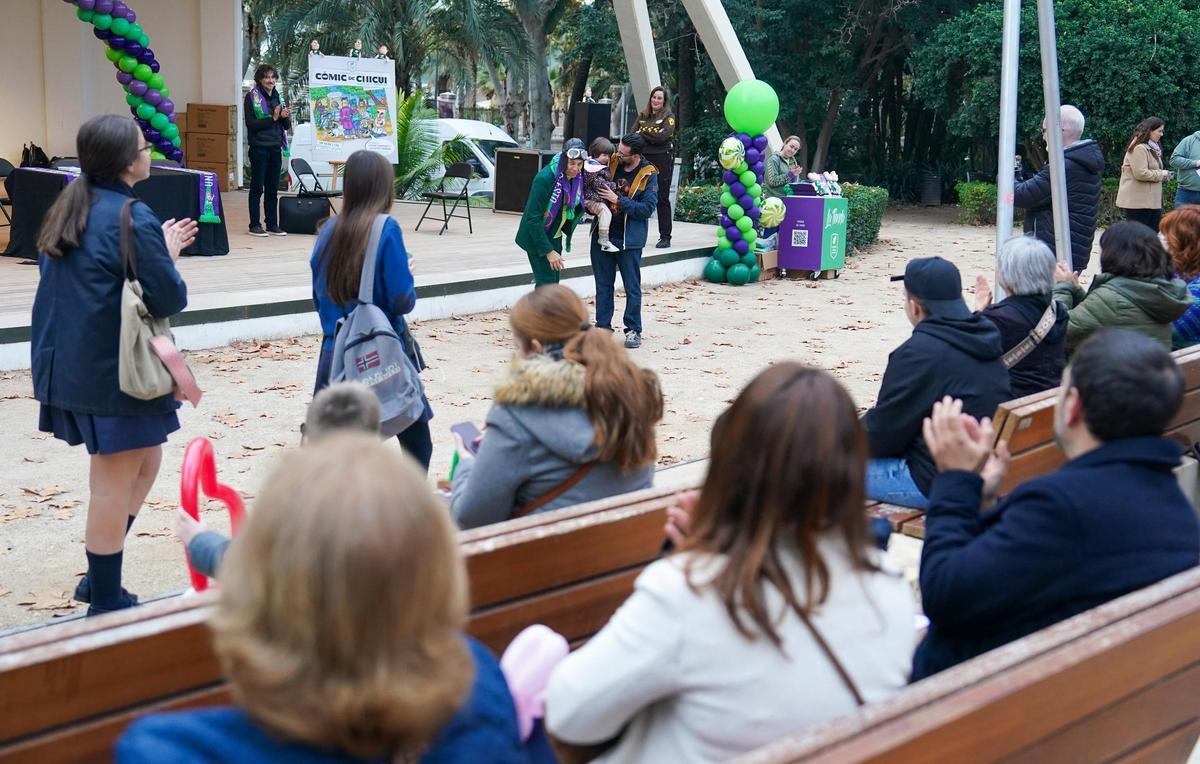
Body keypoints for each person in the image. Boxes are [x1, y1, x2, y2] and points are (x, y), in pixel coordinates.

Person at [544, 364, 914, 762]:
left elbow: (568, 716)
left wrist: (691, 564)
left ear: (732, 464)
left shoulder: (690, 594)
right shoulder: (889, 587)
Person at [116, 435, 528, 763]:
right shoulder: (480, 692)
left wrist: (205, 546)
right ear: (439, 584)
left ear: (261, 592)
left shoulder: (167, 750)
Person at [913, 330, 1200, 680]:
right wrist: (984, 498)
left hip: (977, 708)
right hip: (1084, 706)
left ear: (1074, 406)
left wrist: (955, 480)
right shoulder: (1174, 511)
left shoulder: (1063, 506)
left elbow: (944, 593)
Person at [31, 115, 194, 616]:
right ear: (128, 162)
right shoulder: (131, 216)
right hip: (111, 369)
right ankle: (104, 602)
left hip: (70, 361)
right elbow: (168, 296)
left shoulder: (68, 206)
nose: (150, 154)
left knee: (145, 460)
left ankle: (98, 578)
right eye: (145, 148)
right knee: (112, 482)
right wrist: (167, 253)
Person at [451, 286, 662, 530]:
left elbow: (470, 518)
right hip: (631, 552)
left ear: (536, 348)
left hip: (543, 561)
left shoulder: (516, 414)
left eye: (518, 347)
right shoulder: (632, 393)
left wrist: (467, 465)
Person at [173, 382, 382, 578]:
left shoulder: (304, 503)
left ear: (311, 436)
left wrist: (199, 541)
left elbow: (253, 570)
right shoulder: (402, 495)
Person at [311, 150, 434, 470]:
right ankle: (403, 512)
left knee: (339, 450)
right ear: (384, 187)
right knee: (416, 443)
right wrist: (406, 273)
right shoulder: (386, 229)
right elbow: (401, 300)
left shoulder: (326, 231)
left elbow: (318, 298)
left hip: (335, 351)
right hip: (380, 347)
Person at [863, 257, 1011, 509]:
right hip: (983, 469)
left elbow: (882, 436)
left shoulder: (918, 354)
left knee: (820, 464)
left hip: (934, 481)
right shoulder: (984, 335)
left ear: (915, 307)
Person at [1052, 220, 1190, 354]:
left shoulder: (1112, 299)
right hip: (1146, 373)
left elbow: (1055, 332)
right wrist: (1075, 291)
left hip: (1107, 375)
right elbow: (1103, 316)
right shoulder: (1157, 290)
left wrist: (1063, 286)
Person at [973, 236, 1068, 398]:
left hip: (1009, 409)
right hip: (1048, 407)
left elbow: (964, 356)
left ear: (1007, 274)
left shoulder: (997, 319)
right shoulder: (1058, 311)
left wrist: (979, 313)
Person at [1013, 105, 1105, 273]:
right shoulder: (1082, 161)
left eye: (1045, 130)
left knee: (1046, 298)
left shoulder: (1063, 166)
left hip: (1054, 253)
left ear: (1059, 132)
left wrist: (1009, 175)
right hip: (1072, 249)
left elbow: (1022, 196)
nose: (1044, 136)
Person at [592, 133, 658, 349]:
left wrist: (618, 200)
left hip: (629, 240)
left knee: (632, 287)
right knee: (603, 285)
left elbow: (646, 210)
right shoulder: (610, 162)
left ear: (636, 156)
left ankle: (633, 329)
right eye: (617, 150)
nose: (617, 154)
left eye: (622, 153)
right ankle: (602, 327)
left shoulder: (648, 174)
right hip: (603, 235)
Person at [515, 138, 586, 287]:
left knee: (553, 284)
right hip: (537, 237)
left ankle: (545, 311)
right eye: (572, 163)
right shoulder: (545, 178)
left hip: (555, 235)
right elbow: (532, 219)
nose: (575, 168)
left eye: (579, 164)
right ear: (563, 159)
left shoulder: (575, 177)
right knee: (546, 286)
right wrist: (548, 251)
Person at [244, 63, 290, 238]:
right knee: (257, 187)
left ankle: (272, 224)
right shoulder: (251, 97)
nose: (270, 81)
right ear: (260, 80)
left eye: (273, 77)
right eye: (266, 77)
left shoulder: (279, 98)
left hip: (275, 147)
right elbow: (252, 125)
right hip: (259, 148)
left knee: (272, 189)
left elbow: (286, 125)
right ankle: (254, 225)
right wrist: (274, 118)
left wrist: (284, 117)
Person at [634, 86, 676, 249]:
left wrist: (643, 134)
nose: (656, 100)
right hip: (643, 159)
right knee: (637, 195)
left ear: (664, 101)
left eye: (659, 98)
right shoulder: (643, 116)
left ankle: (665, 236)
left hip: (662, 158)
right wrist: (648, 135)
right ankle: (636, 234)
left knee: (661, 198)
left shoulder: (669, 117)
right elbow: (632, 136)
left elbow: (662, 137)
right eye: (654, 97)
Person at [1116, 117, 1171, 232]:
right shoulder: (1139, 148)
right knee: (1137, 237)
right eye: (1159, 131)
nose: (1162, 134)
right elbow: (1141, 173)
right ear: (1150, 131)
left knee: (1151, 234)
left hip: (1150, 202)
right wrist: (1162, 174)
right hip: (1138, 203)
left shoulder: (1151, 148)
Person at [1161, 206, 1200, 349]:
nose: (1164, 246)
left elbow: (1163, 334)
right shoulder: (1181, 275)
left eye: (1167, 240)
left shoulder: (1197, 292)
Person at [582, 137, 619, 253]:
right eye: (604, 155)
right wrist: (614, 186)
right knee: (605, 212)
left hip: (593, 197)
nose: (607, 158)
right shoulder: (592, 168)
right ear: (595, 153)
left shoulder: (594, 165)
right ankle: (603, 239)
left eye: (608, 156)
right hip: (590, 198)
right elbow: (601, 185)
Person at [1168, 125, 1200, 208]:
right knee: (1181, 221)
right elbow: (1174, 160)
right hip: (1186, 193)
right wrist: (1196, 163)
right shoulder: (1189, 140)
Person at [764, 135, 803, 199]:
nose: (792, 150)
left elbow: (793, 182)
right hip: (774, 201)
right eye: (791, 146)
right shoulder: (774, 159)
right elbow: (772, 181)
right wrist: (790, 174)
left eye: (796, 149)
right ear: (785, 144)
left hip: (789, 199)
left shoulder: (793, 161)